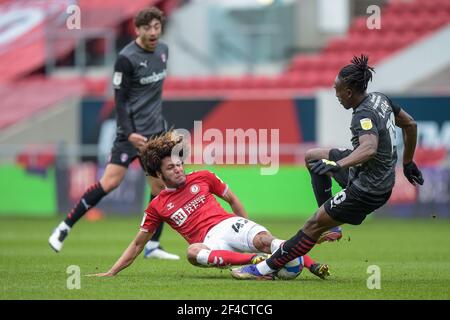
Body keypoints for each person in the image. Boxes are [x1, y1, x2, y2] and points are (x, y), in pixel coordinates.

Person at [231, 55, 424, 280]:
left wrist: (338, 164)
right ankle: (331, 225)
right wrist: (408, 161)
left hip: (368, 189)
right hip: (368, 174)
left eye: (338, 89)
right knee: (313, 158)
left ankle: (263, 270)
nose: (336, 94)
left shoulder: (363, 114)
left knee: (313, 224)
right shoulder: (381, 99)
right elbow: (410, 124)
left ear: (349, 92)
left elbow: (369, 148)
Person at [88, 132, 329, 279]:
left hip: (228, 223)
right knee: (192, 253)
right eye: (171, 168)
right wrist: (112, 271)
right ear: (159, 175)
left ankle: (310, 263)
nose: (179, 169)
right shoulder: (157, 206)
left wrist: (249, 224)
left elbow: (232, 200)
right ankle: (254, 262)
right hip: (211, 242)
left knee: (265, 240)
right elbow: (138, 244)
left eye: (178, 164)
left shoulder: (203, 177)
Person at [49, 7, 179, 260]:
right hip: (129, 136)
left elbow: (153, 95)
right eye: (147, 28)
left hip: (155, 135)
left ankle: (152, 245)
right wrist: (129, 133)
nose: (153, 32)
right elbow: (119, 100)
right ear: (138, 29)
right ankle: (64, 227)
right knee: (109, 183)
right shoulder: (126, 58)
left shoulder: (164, 51)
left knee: (161, 188)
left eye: (156, 27)